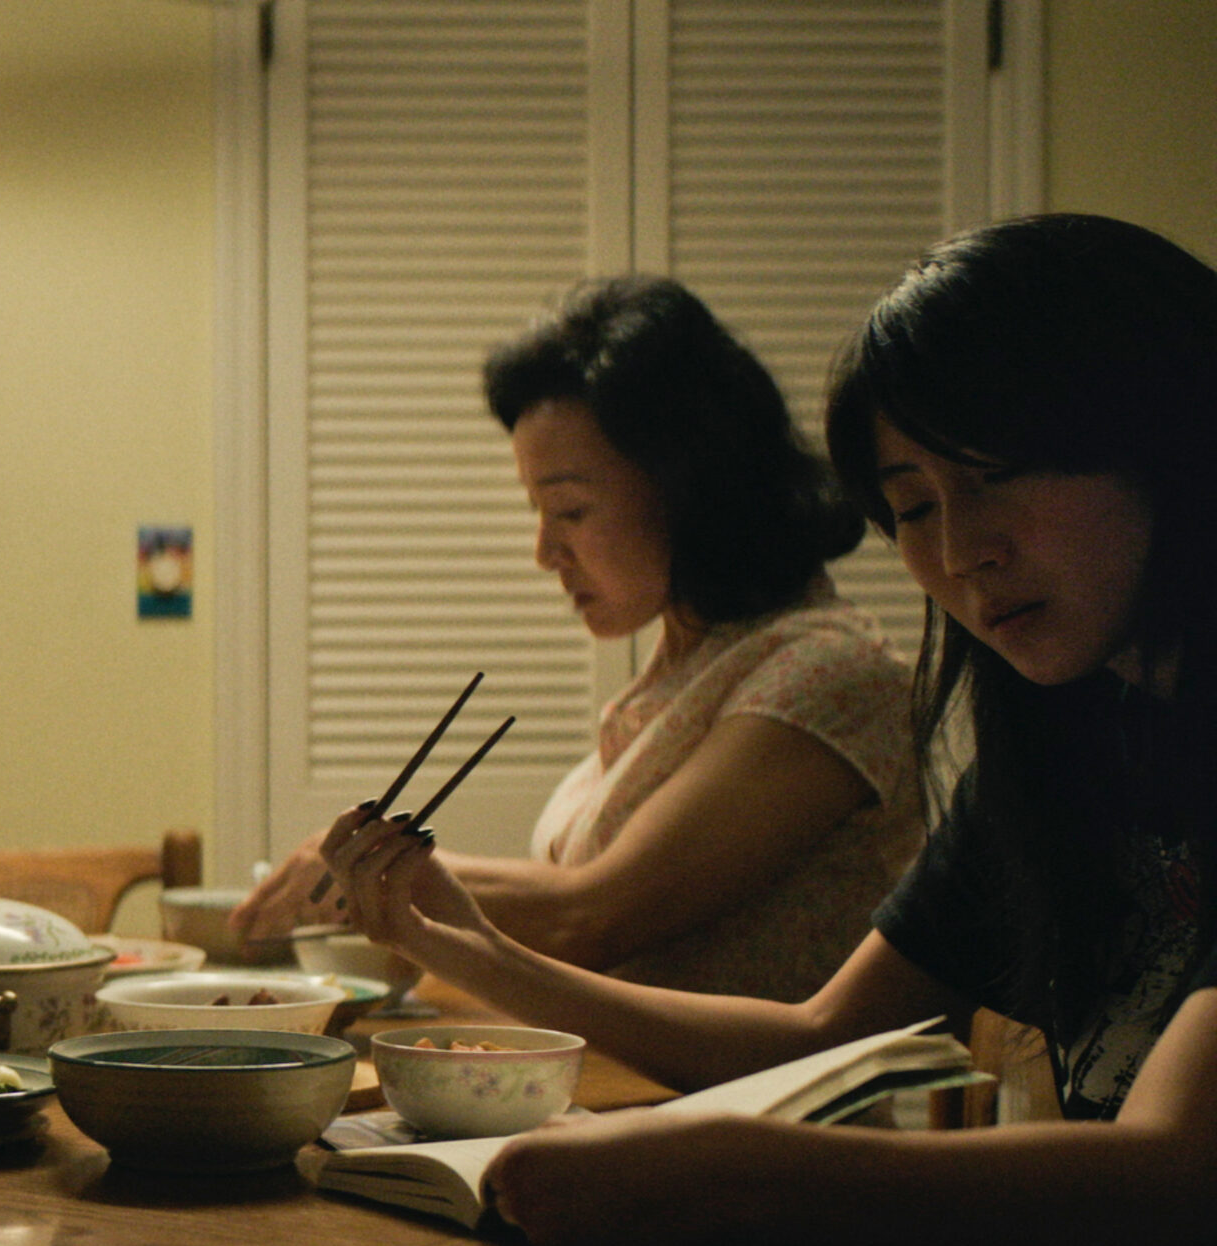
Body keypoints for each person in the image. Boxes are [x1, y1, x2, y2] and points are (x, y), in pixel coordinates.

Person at [321, 214, 1216, 1246]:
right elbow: (826, 1032)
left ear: (1169, 434)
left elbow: (1176, 1188)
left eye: (997, 473)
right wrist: (473, 955)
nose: (956, 553)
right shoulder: (1068, 739)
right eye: (914, 506)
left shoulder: (822, 671)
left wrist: (748, 1175)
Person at [238, 278, 921, 1001]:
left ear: (688, 486)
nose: (544, 550)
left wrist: (365, 863)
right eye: (538, 510)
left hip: (743, 1109)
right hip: (616, 1095)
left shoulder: (831, 674)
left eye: (570, 508)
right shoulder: (687, 668)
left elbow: (592, 914)